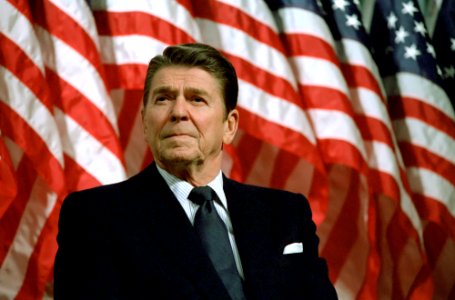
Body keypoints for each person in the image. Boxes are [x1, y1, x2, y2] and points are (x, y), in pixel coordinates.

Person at [53, 43, 337, 300]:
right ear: (145, 122)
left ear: (230, 125)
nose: (178, 112)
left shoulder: (286, 213)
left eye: (197, 99)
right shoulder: (95, 215)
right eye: (163, 98)